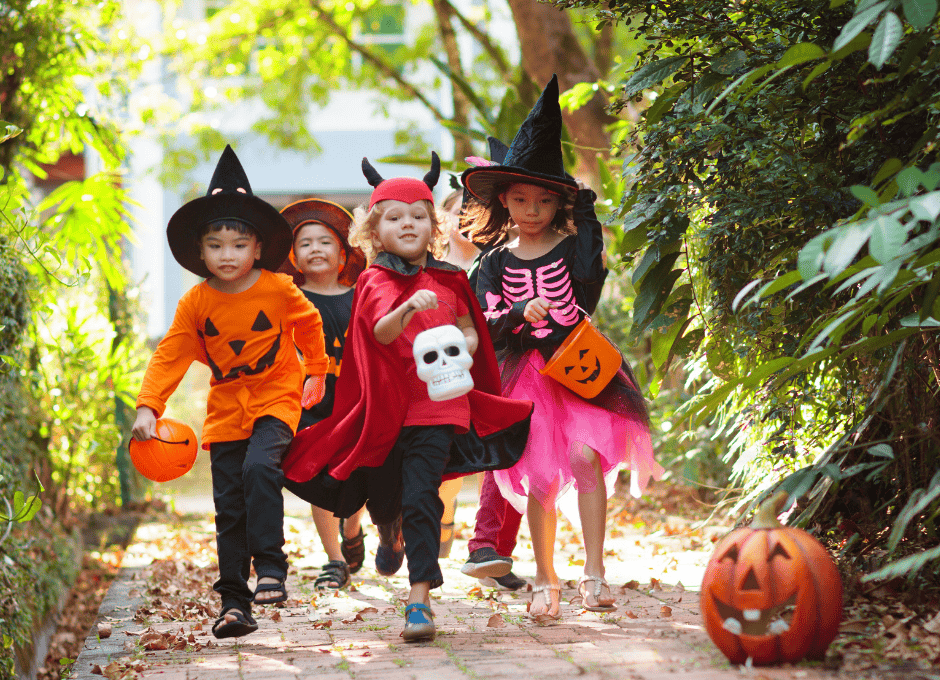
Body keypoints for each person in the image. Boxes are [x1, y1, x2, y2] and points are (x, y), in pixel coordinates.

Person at [280, 153, 533, 642]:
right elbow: (379, 331)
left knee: (422, 496)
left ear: (433, 226)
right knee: (385, 498)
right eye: (395, 217)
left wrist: (466, 346)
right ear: (375, 232)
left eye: (418, 215)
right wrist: (409, 307)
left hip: (438, 405)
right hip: (386, 409)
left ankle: (419, 599)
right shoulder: (374, 280)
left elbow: (470, 330)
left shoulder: (451, 279)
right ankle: (388, 529)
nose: (408, 224)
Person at [461, 76, 661, 619]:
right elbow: (485, 322)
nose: (531, 210)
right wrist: (515, 315)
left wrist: (587, 217)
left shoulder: (573, 248)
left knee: (583, 457)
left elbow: (588, 291)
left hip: (578, 365)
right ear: (504, 200)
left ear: (558, 202)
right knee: (540, 474)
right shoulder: (493, 261)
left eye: (544, 200)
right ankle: (546, 578)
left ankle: (594, 573)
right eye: (520, 199)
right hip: (525, 376)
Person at [131, 145, 330, 640]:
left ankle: (271, 568)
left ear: (257, 249)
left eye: (238, 245)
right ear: (200, 252)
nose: (227, 255)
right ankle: (234, 604)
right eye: (216, 245)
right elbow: (170, 355)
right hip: (225, 409)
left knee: (260, 467)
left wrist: (317, 371)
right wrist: (148, 406)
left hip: (277, 395)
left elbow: (309, 325)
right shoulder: (195, 302)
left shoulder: (278, 289)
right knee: (229, 505)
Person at [279, 198, 369, 590]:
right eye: (305, 243)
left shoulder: (361, 295)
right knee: (319, 477)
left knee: (360, 474)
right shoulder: (287, 300)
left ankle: (352, 527)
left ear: (343, 253)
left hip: (356, 400)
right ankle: (334, 559)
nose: (315, 248)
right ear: (294, 258)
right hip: (310, 404)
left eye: (324, 241)